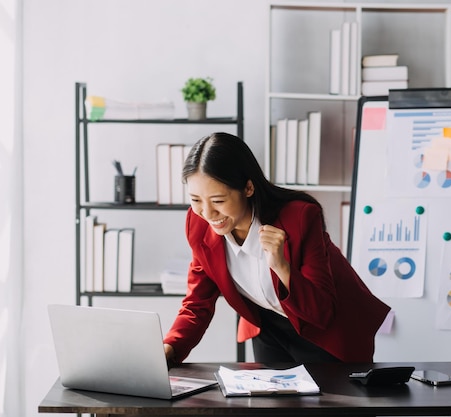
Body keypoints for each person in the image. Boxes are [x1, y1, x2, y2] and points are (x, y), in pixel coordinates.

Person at [163, 132, 390, 365]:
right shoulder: (198, 224)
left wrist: (282, 267)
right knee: (269, 400)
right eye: (196, 200)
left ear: (248, 188)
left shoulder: (300, 218)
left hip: (327, 333)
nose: (208, 214)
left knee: (329, 401)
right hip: (268, 328)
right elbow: (197, 302)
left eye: (218, 201)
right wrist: (169, 348)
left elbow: (321, 312)